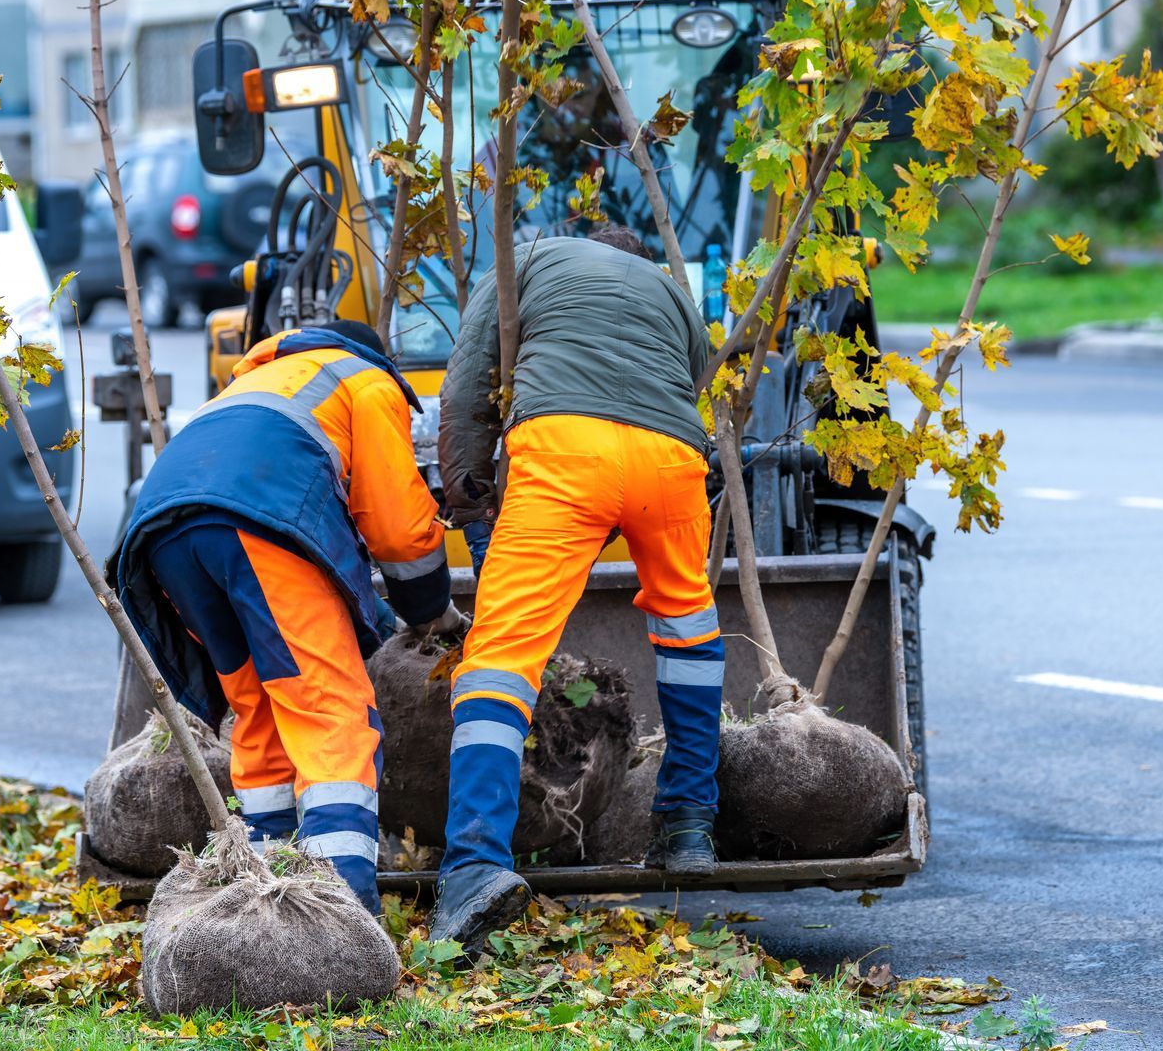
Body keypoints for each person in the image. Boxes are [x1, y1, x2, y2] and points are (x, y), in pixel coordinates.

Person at [430, 225, 722, 949]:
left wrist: (468, 493)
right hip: (671, 457)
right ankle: (688, 824)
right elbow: (693, 375)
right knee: (687, 627)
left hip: (566, 449)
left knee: (501, 656)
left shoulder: (525, 255)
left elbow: (469, 378)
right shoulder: (669, 285)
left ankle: (473, 867)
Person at [112, 320, 457, 913]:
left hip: (164, 537)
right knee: (329, 712)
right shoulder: (366, 380)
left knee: (262, 704)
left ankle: (266, 895)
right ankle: (340, 914)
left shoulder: (256, 382)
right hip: (256, 523)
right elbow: (399, 529)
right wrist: (432, 612)